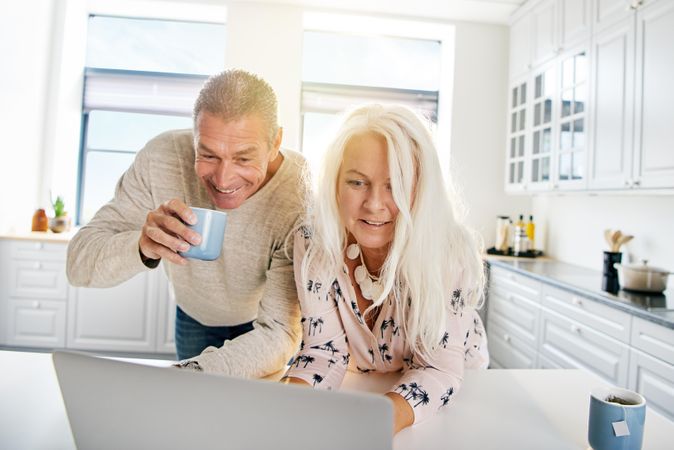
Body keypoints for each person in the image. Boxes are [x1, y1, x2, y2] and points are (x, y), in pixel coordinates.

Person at [67, 69, 307, 377]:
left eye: (244, 159)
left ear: (275, 143)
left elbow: (278, 332)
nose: (223, 180)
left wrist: (183, 375)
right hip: (192, 315)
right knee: (195, 418)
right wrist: (142, 246)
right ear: (193, 136)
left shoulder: (297, 191)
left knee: (248, 417)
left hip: (260, 324)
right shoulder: (161, 158)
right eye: (207, 155)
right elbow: (78, 264)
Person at [282, 104, 489, 433]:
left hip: (446, 402)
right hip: (365, 386)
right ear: (334, 184)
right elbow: (324, 352)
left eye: (395, 185)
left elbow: (439, 371)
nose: (374, 204)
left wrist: (366, 426)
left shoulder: (450, 251)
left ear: (421, 188)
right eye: (357, 183)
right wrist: (281, 414)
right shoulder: (314, 241)